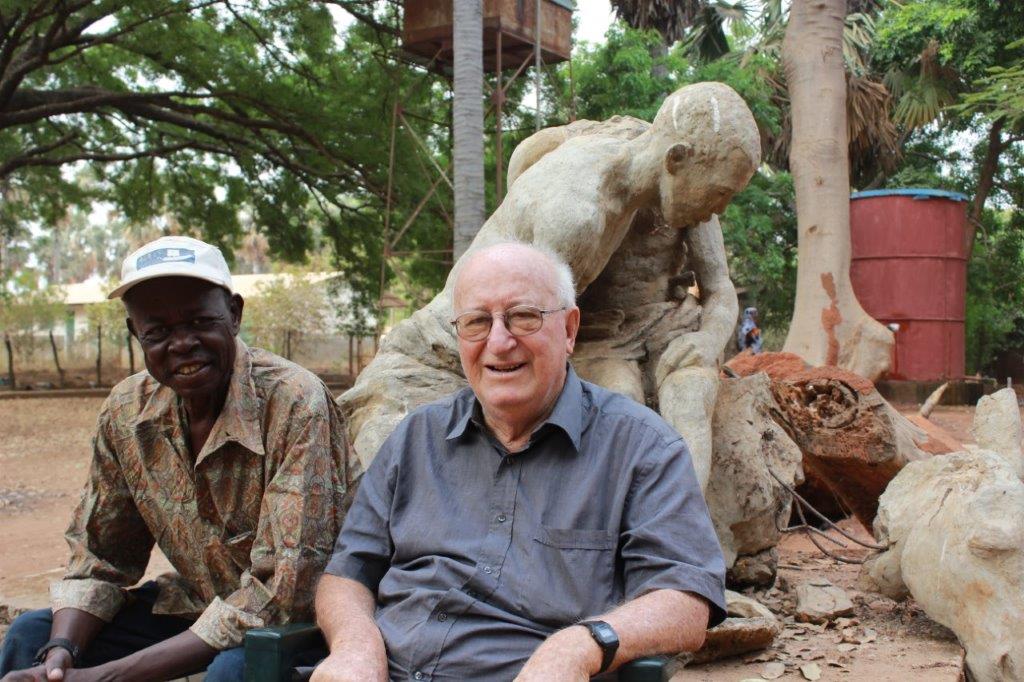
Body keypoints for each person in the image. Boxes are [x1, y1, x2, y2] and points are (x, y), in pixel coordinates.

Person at [312, 243, 726, 681]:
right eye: (476, 322)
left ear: (569, 330)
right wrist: (355, 648)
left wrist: (579, 646)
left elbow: (685, 599)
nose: (499, 341)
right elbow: (347, 573)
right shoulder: (417, 437)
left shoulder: (643, 449)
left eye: (523, 316)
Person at [0, 236, 358, 682]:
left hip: (306, 619)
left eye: (199, 321)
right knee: (30, 636)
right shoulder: (126, 413)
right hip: (197, 606)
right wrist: (60, 654)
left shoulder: (294, 401)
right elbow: (100, 557)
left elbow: (284, 592)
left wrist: (104, 677)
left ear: (234, 313)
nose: (182, 344)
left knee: (236, 669)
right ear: (136, 334)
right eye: (159, 332)